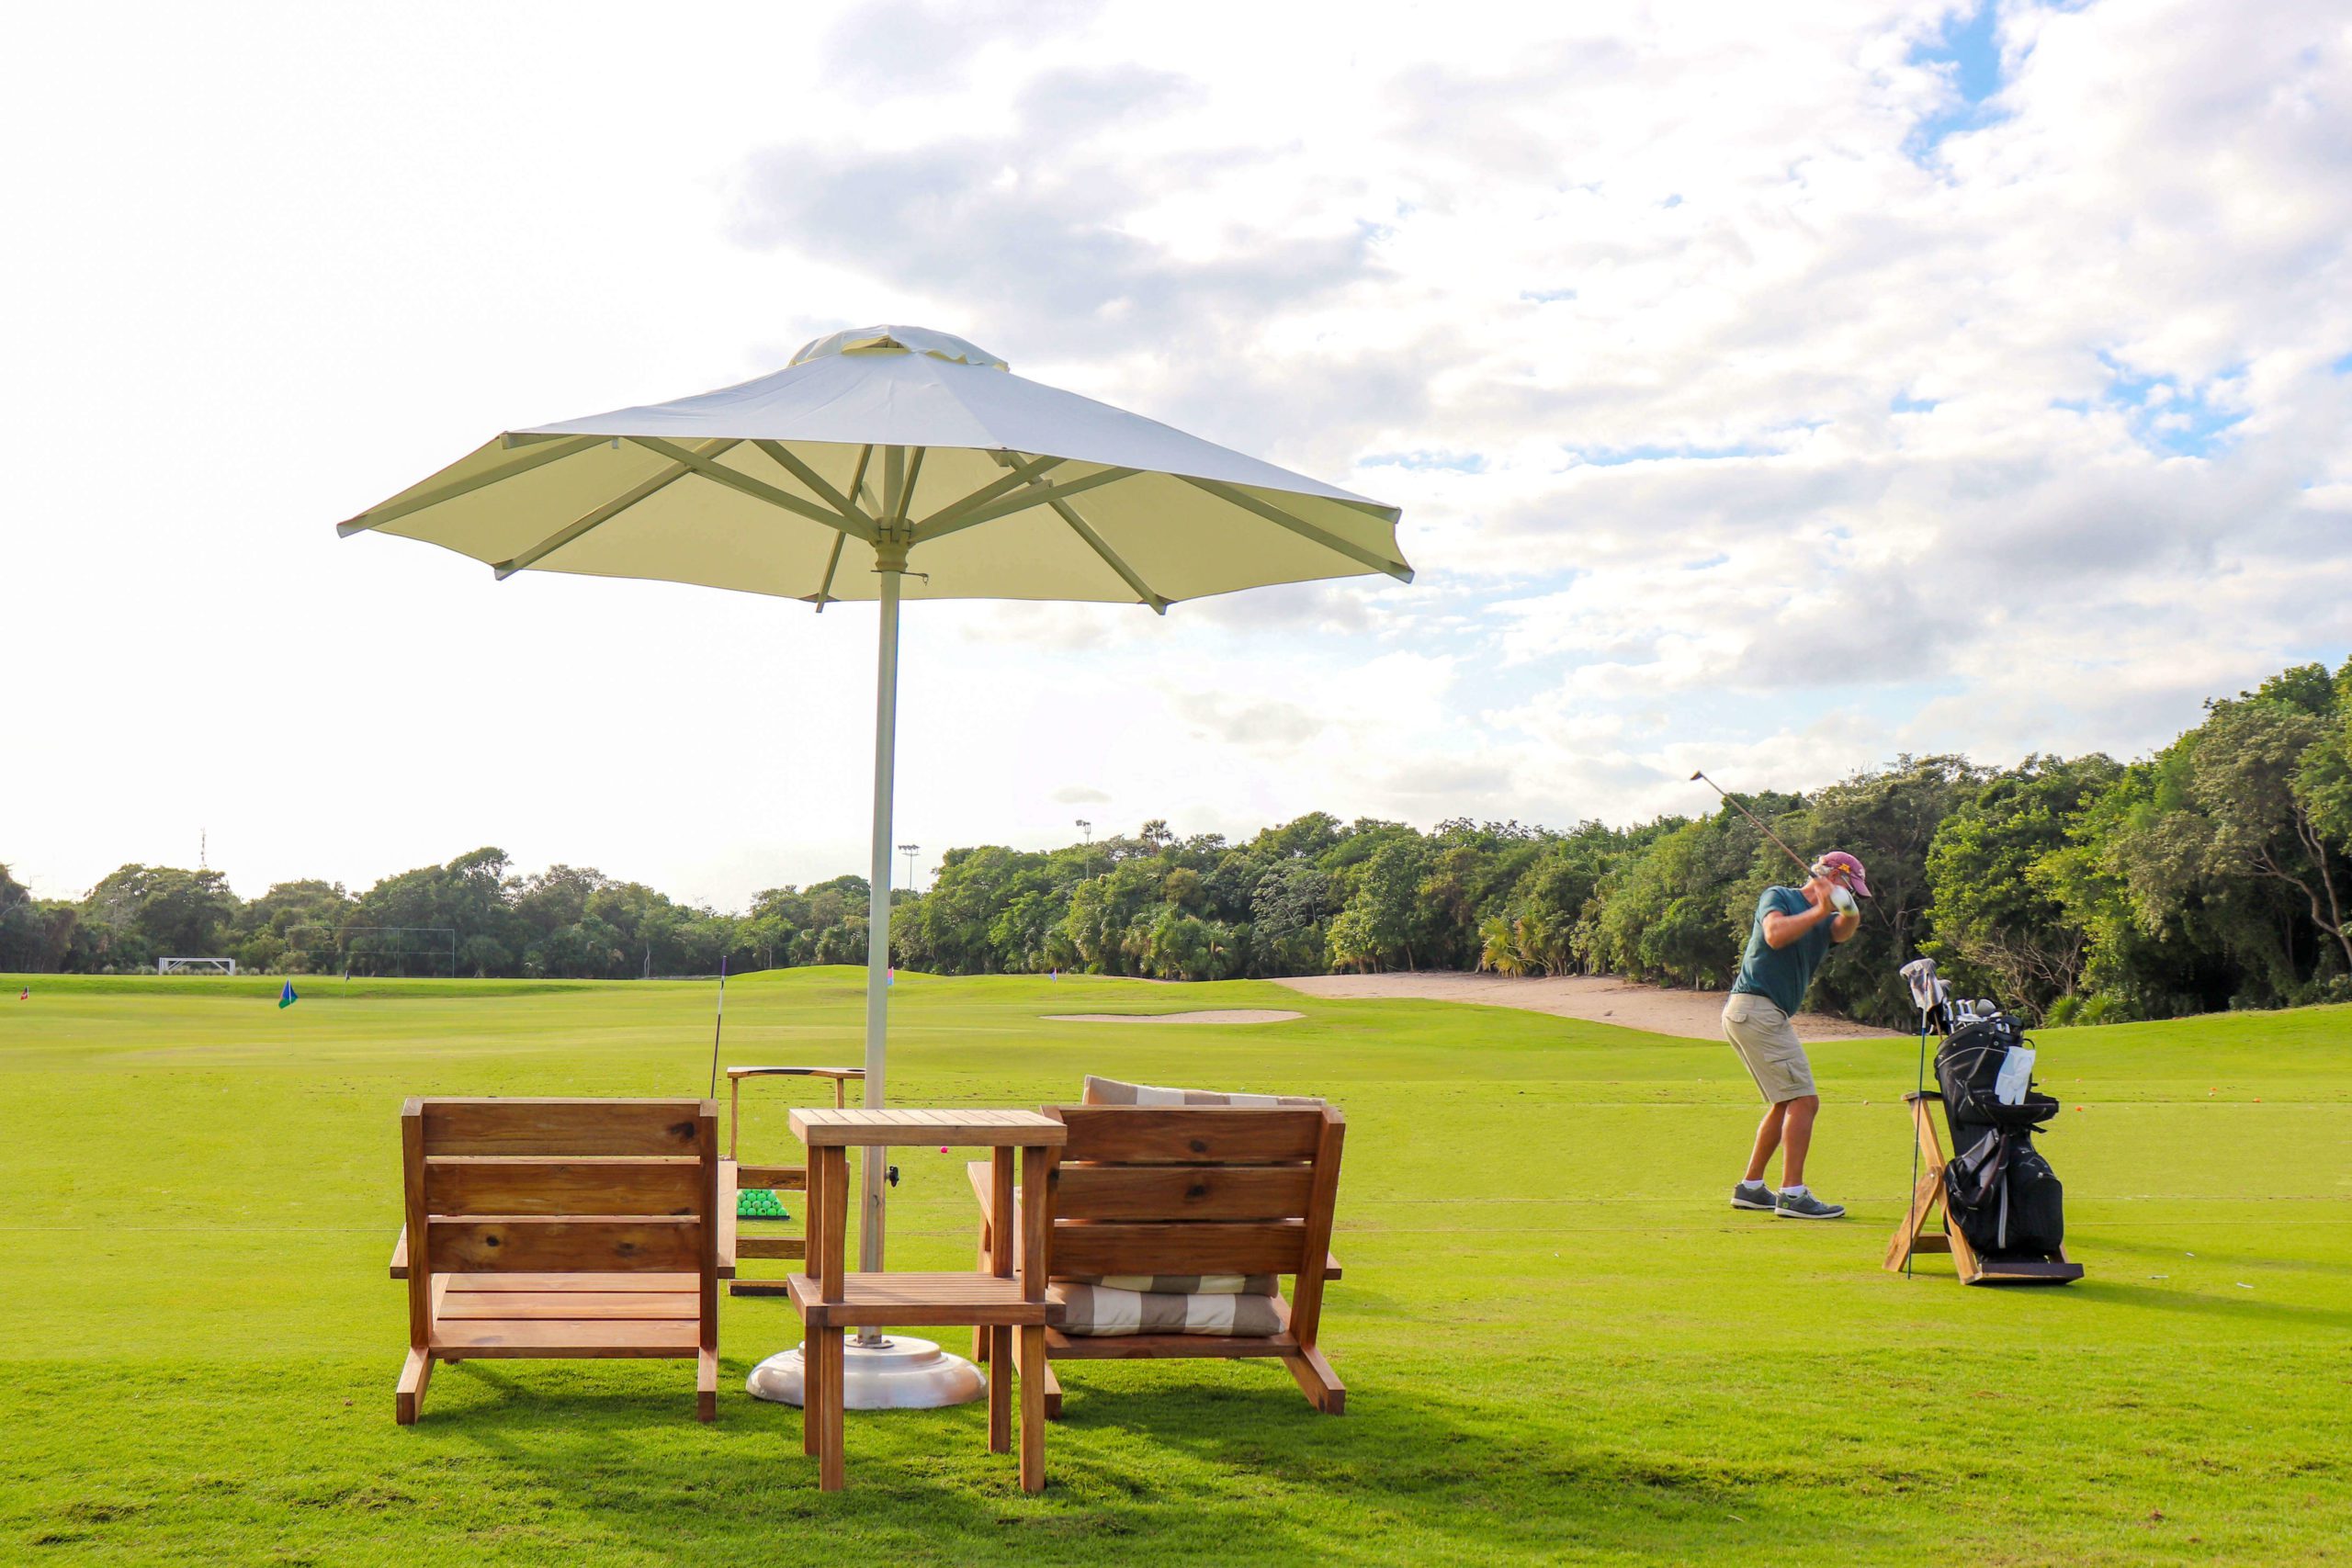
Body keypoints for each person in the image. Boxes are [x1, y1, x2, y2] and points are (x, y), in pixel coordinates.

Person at [1722, 851, 1869, 1220]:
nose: (1850, 895)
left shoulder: (1828, 920)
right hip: (1756, 1008)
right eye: (1851, 887)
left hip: (1756, 1012)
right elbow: (1774, 935)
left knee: (1786, 1102)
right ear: (1836, 876)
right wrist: (1820, 907)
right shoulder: (1779, 896)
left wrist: (1849, 911)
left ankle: (1751, 1188)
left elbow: (1842, 931)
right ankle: (1792, 1194)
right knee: (1805, 1100)